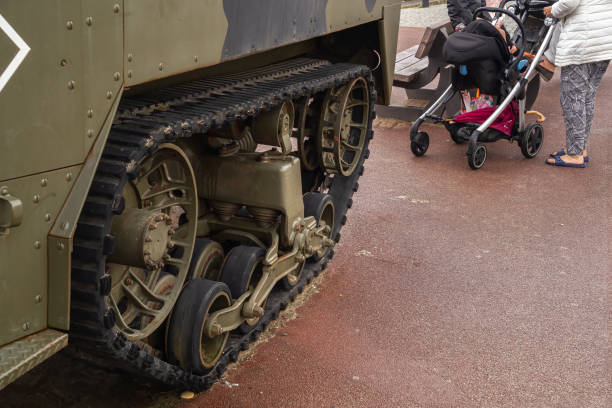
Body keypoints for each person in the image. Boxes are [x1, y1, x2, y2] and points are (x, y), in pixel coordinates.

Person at [544, 0, 612, 168]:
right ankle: (580, 148)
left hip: (583, 41)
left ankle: (575, 154)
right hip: (604, 42)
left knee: (573, 96)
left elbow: (570, 3)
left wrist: (553, 10)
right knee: (587, 96)